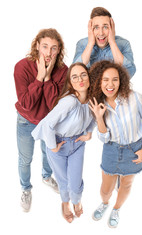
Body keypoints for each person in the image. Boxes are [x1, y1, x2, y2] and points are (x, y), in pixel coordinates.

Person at [89, 60, 142, 228]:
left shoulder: (135, 98)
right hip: (111, 150)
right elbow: (103, 139)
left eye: (115, 79)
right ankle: (105, 203)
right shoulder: (98, 104)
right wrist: (99, 117)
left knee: (126, 184)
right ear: (99, 81)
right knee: (105, 190)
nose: (110, 84)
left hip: (135, 149)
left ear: (121, 80)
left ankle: (116, 209)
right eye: (105, 80)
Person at [32, 62, 95, 223]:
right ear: (71, 82)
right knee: (63, 180)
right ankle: (66, 202)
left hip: (77, 143)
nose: (80, 79)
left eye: (83, 75)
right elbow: (47, 124)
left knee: (75, 180)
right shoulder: (69, 101)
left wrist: (88, 133)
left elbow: (94, 117)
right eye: (74, 77)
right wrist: (52, 146)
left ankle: (76, 199)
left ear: (89, 77)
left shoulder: (91, 99)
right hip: (59, 144)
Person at [14, 28, 68, 212]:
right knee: (25, 158)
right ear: (37, 46)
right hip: (26, 120)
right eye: (44, 46)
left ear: (59, 50)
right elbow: (27, 104)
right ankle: (25, 188)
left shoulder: (63, 71)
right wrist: (40, 77)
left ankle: (46, 176)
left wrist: (48, 77)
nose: (48, 52)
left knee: (49, 153)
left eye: (53, 48)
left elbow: (55, 104)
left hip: (48, 123)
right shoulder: (21, 67)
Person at [73, 7, 136, 78]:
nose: (101, 33)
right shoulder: (82, 44)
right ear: (90, 29)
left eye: (105, 27)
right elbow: (75, 72)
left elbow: (129, 72)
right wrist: (90, 44)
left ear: (112, 28)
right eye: (96, 27)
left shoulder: (124, 44)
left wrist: (112, 42)